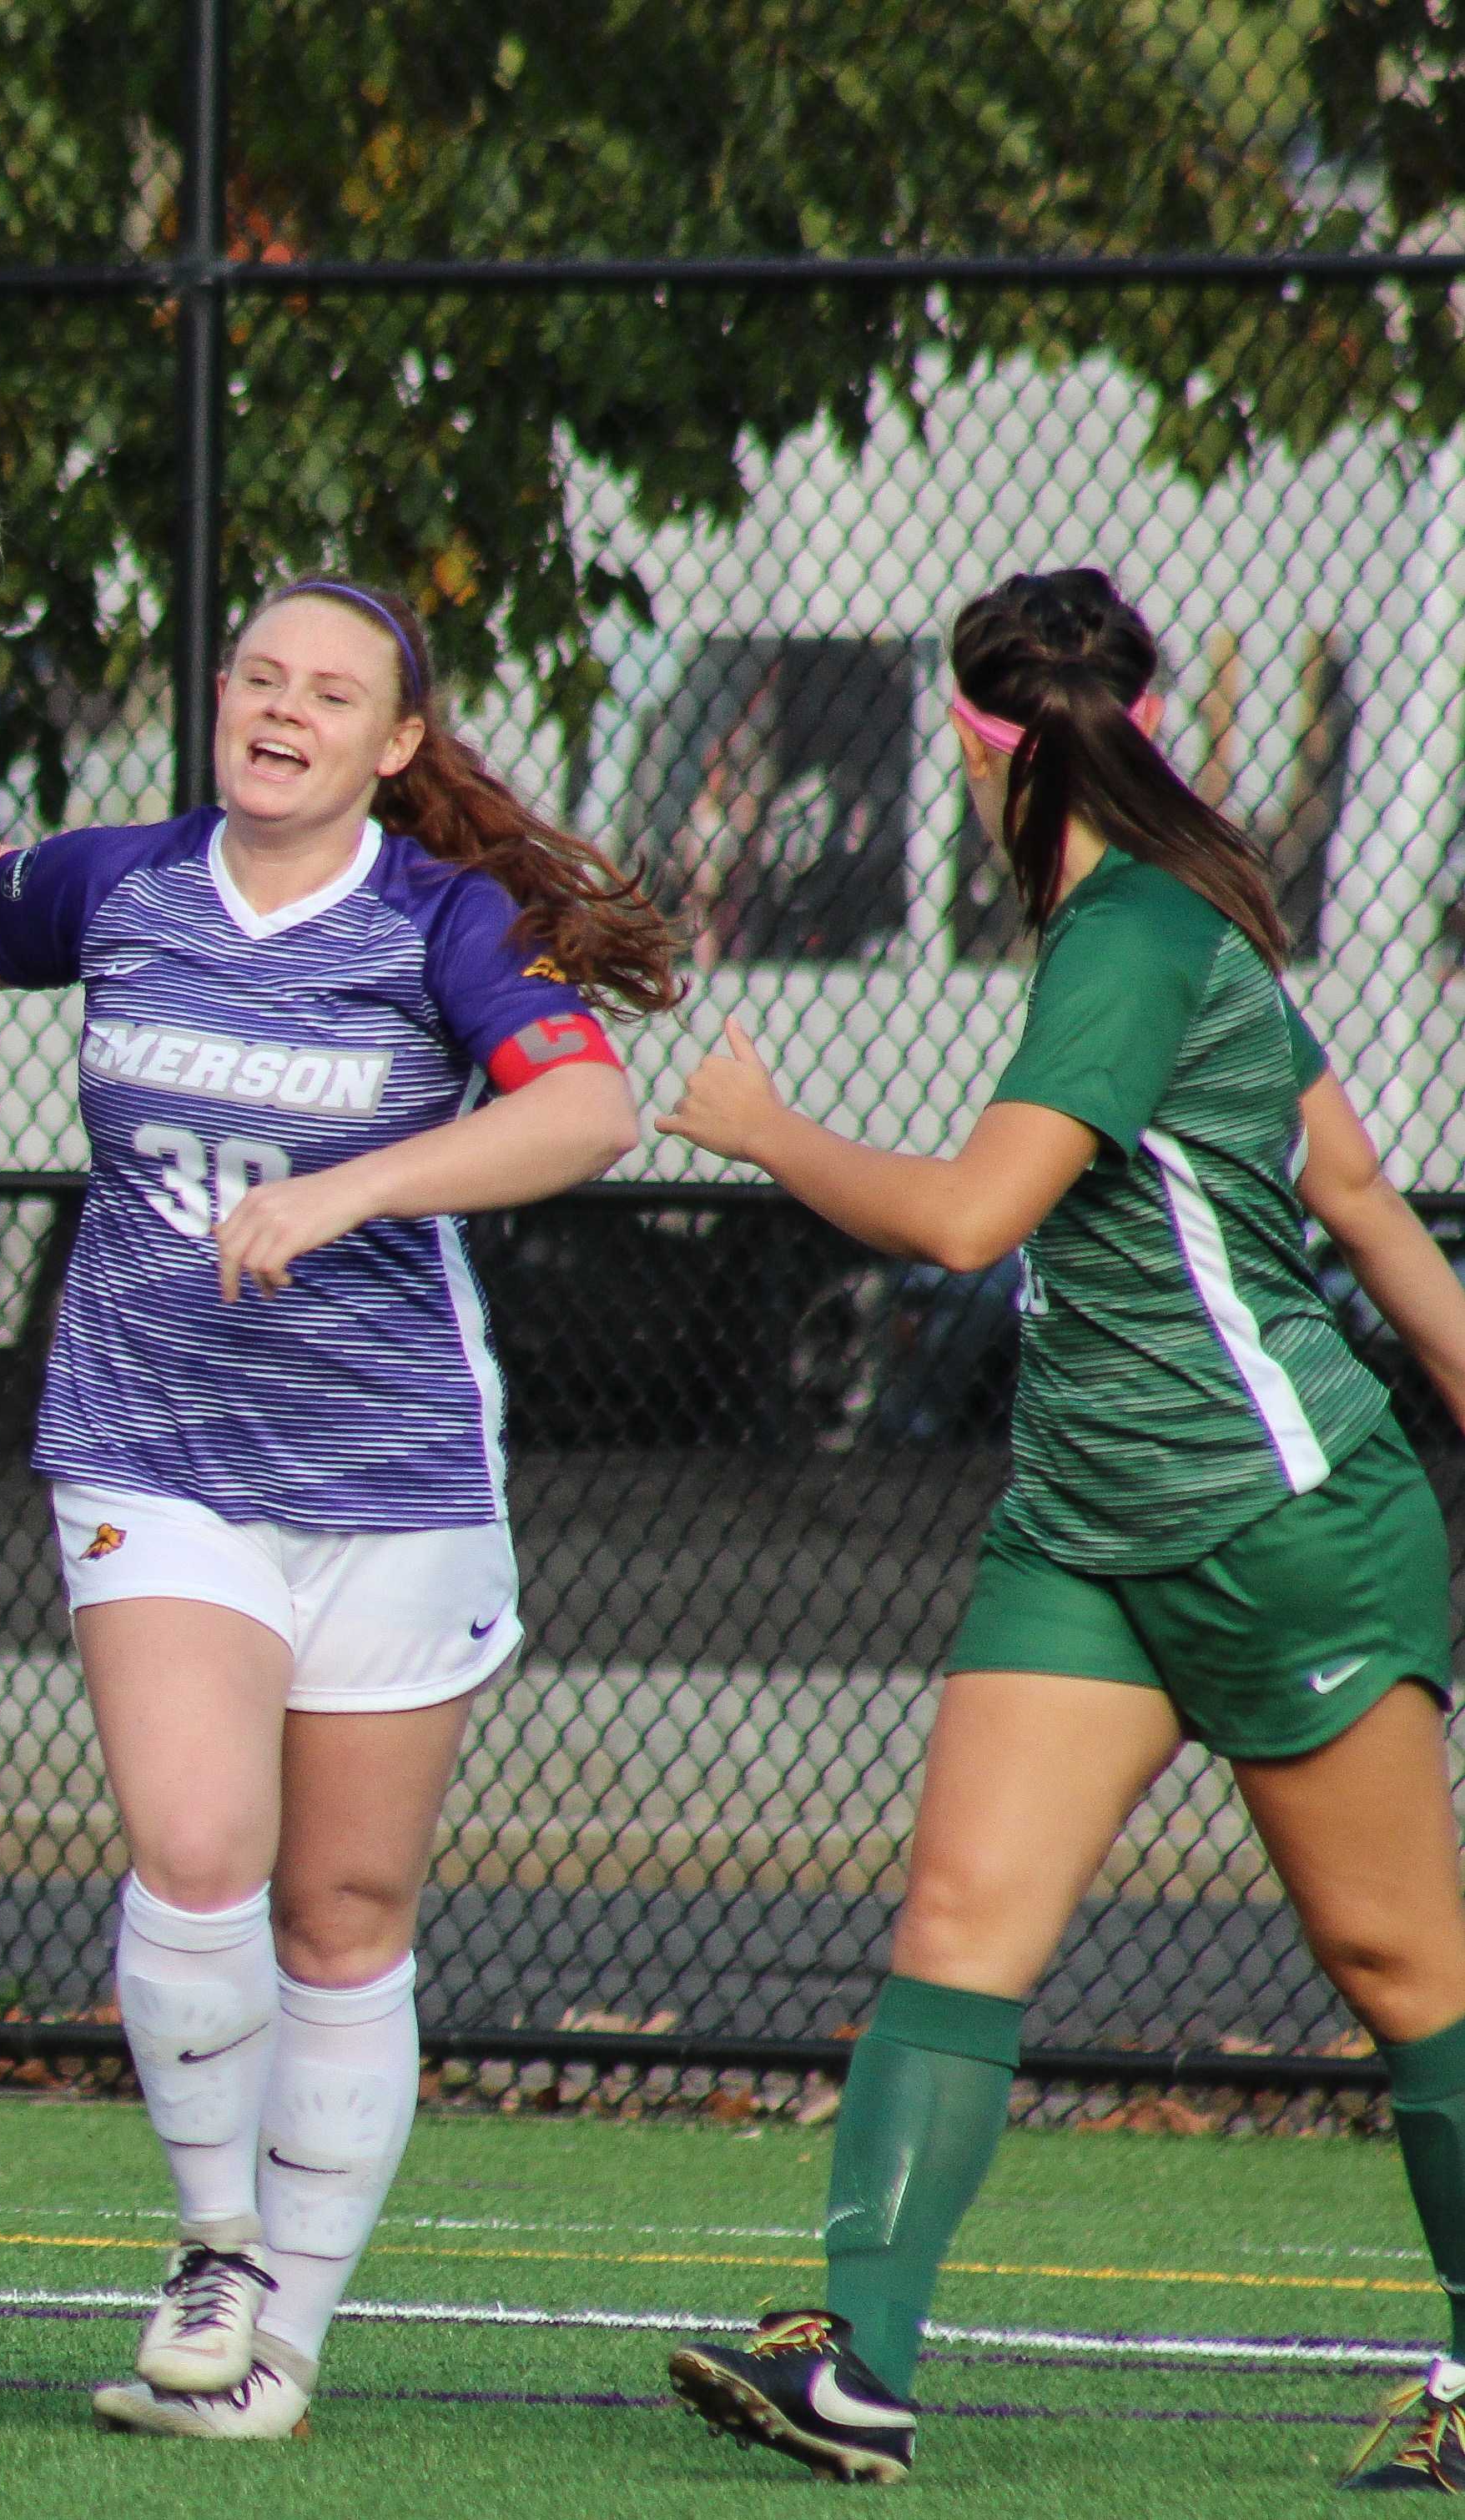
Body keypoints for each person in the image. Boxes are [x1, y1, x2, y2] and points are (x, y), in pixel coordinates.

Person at [656, 568, 1465, 2490]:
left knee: (1403, 1970)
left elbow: (963, 1222)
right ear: (1145, 719)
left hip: (1278, 1521)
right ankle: (855, 2356)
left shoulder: (1133, 929)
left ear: (971, 739)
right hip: (1086, 1526)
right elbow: (1356, 1188)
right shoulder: (1187, 918)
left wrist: (761, 1127)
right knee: (958, 1925)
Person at [0, 576, 672, 2442]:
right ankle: (213, 2246)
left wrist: (350, 1192)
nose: (279, 707)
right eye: (256, 672)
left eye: (328, 691)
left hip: (393, 1469)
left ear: (392, 744)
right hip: (150, 1440)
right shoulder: (112, 879)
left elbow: (586, 1116)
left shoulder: (446, 919)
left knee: (342, 1909)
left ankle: (280, 2350)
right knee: (195, 1845)